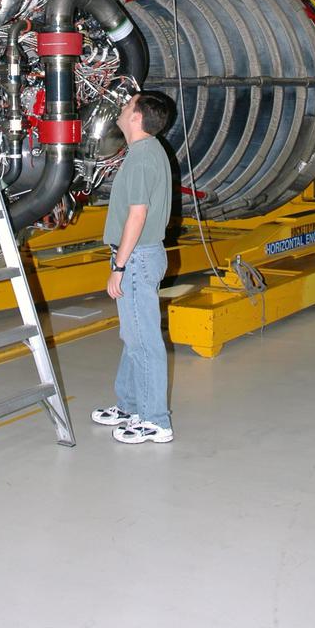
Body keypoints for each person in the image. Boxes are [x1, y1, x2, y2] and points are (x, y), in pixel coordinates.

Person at [91, 90, 174, 445]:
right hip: (141, 255)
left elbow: (136, 215)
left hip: (136, 258)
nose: (122, 112)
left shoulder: (141, 158)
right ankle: (129, 405)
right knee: (134, 334)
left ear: (137, 118)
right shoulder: (147, 151)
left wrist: (119, 266)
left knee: (144, 341)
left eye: (127, 107)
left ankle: (155, 420)